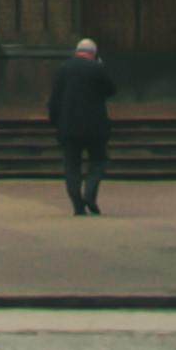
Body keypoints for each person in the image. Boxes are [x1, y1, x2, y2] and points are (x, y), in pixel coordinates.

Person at [48, 32, 117, 217]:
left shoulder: (64, 68)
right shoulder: (97, 68)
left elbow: (54, 99)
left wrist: (55, 123)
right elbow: (111, 90)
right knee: (99, 161)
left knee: (71, 167)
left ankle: (78, 206)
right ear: (93, 53)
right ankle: (89, 194)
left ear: (77, 51)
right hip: (95, 128)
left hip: (68, 127)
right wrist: (101, 67)